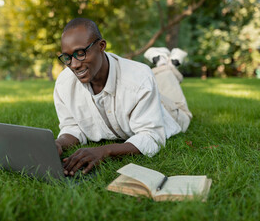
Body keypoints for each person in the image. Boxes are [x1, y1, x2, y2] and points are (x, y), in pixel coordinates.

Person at [54, 18, 192, 176]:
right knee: (147, 81)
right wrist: (59, 143)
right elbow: (72, 126)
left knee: (169, 82)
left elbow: (152, 136)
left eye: (80, 53)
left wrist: (105, 151)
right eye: (67, 57)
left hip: (167, 110)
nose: (74, 65)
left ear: (101, 46)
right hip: (138, 86)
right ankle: (162, 64)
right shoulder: (64, 85)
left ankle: (166, 64)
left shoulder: (139, 78)